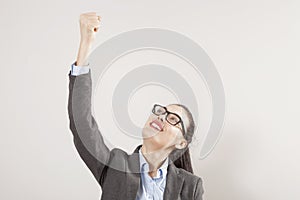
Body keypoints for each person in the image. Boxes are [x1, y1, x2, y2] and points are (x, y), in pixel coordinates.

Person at [67, 12, 204, 200]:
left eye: (172, 118)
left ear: (181, 143)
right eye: (160, 111)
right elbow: (81, 123)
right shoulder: (115, 166)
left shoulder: (190, 186)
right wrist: (85, 46)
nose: (162, 116)